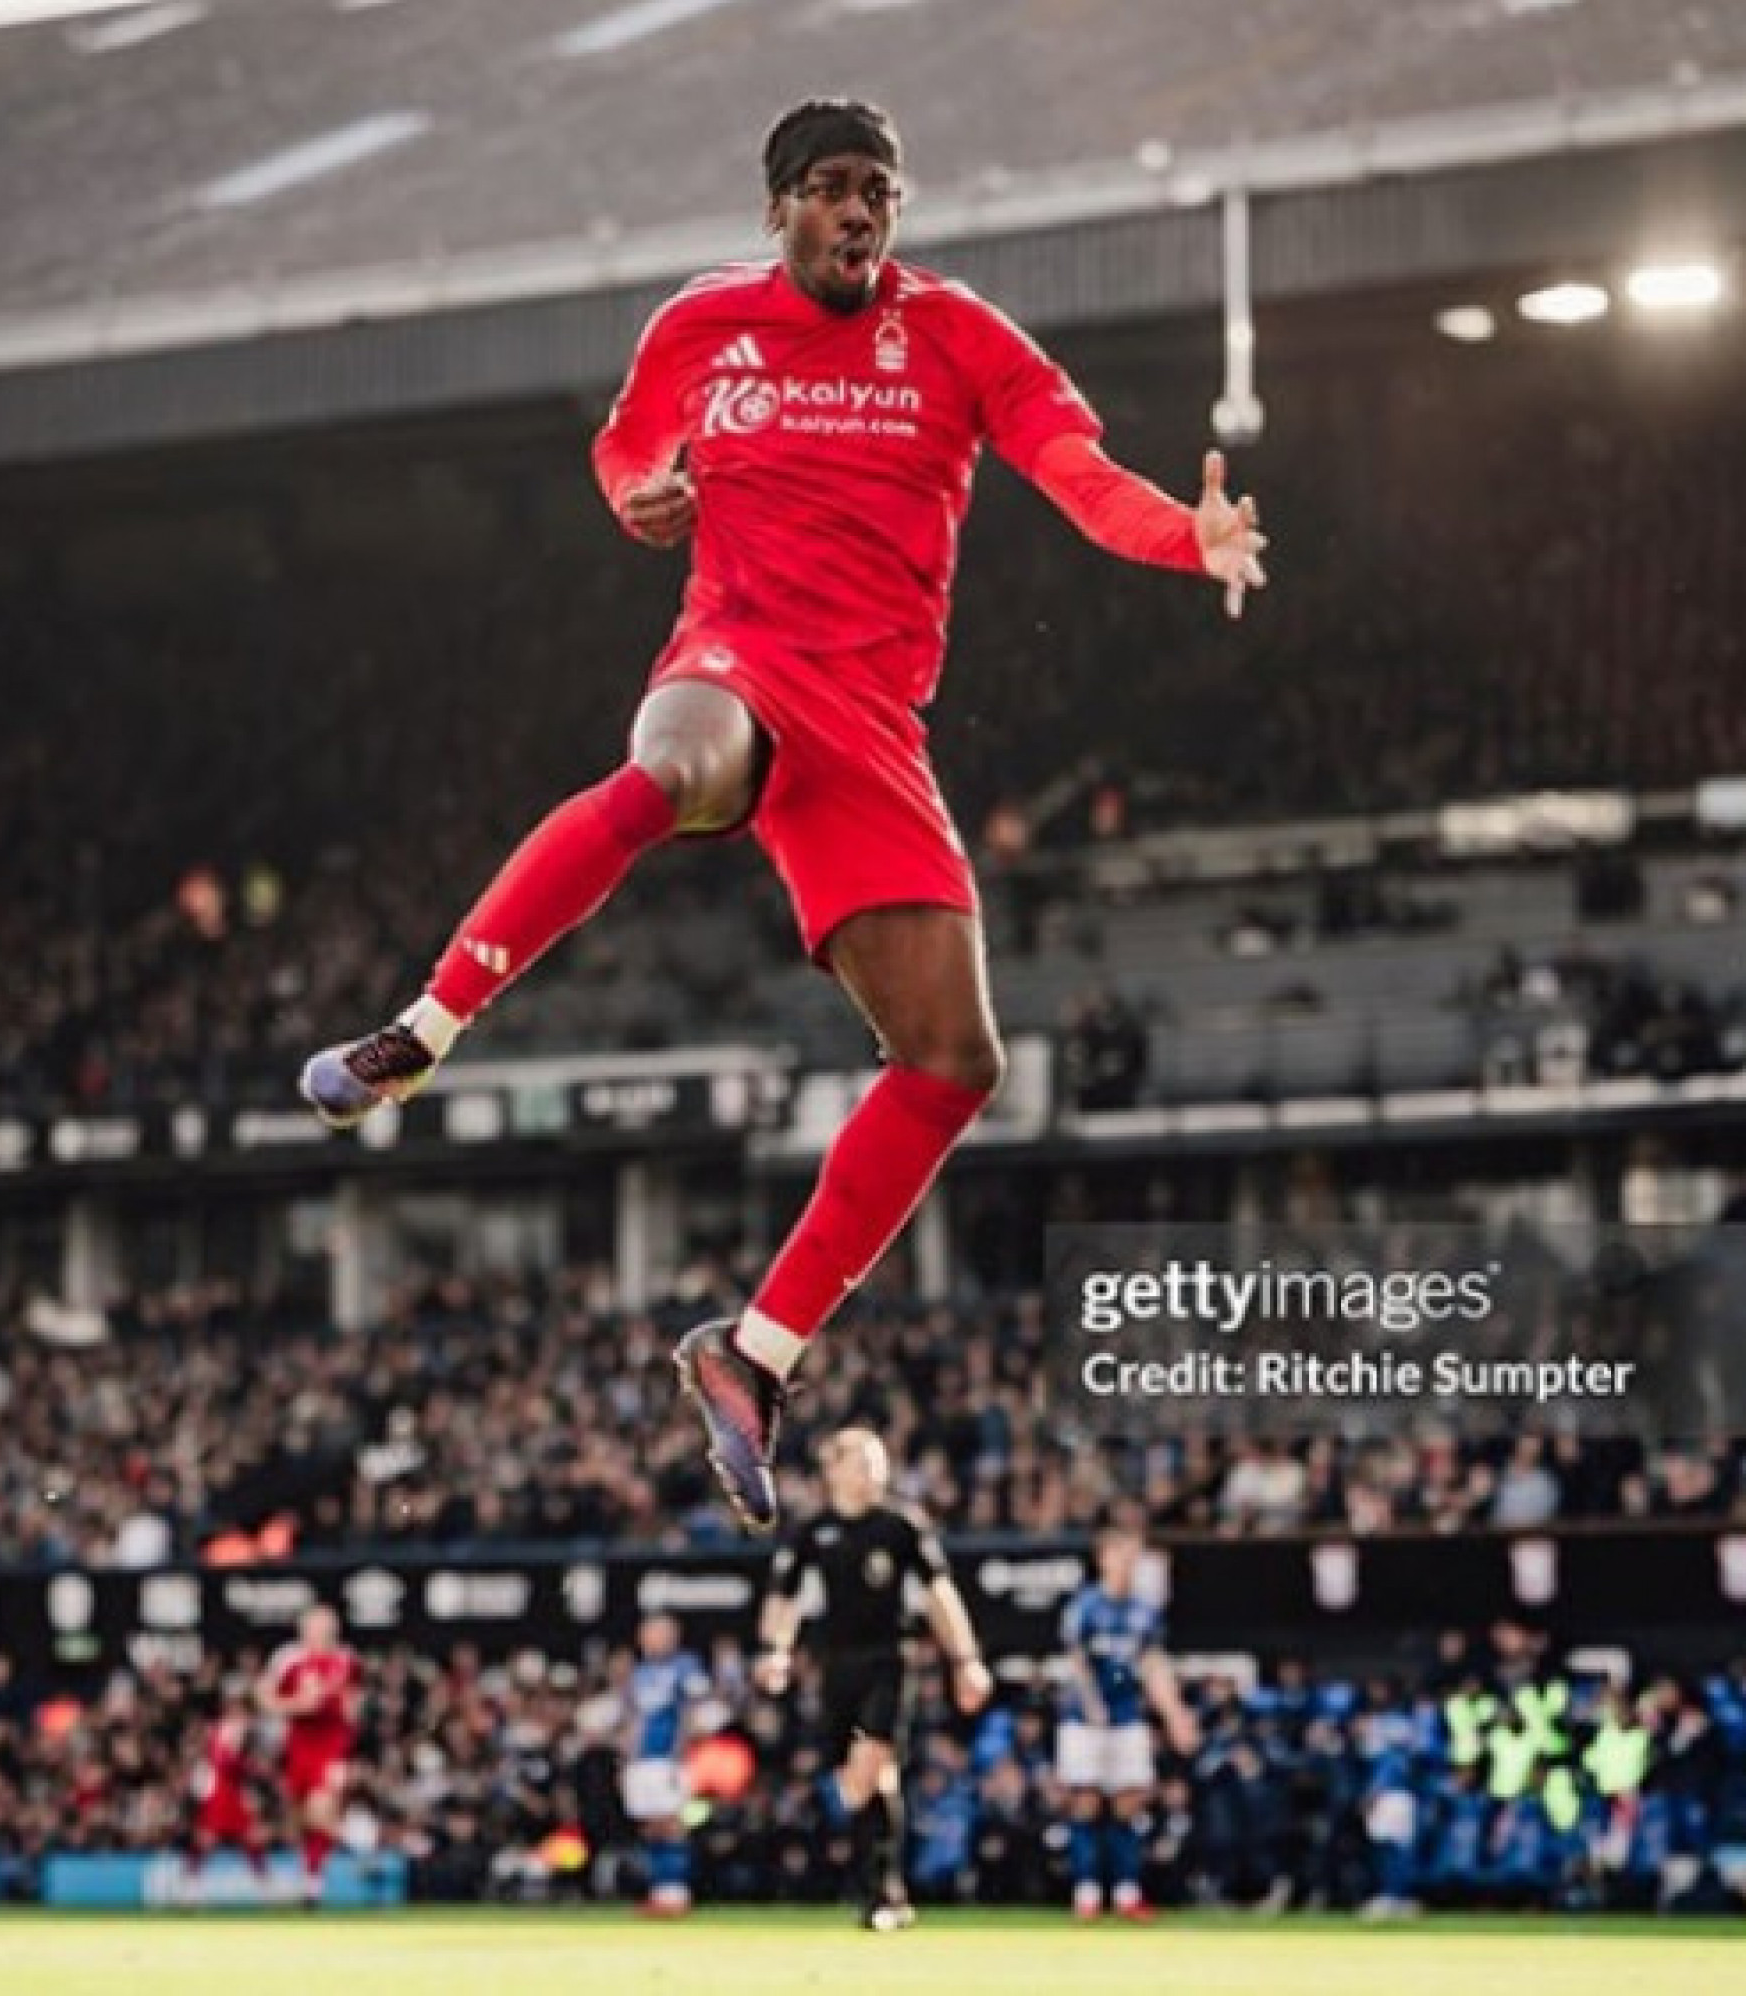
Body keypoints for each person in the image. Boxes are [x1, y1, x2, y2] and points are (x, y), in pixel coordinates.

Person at [301, 97, 1269, 1534]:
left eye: (879, 189)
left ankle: (753, 1355)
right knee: (671, 773)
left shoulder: (960, 337)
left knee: (953, 1063)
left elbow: (1073, 471)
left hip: (871, 724)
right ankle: (420, 1035)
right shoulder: (702, 326)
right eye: (830, 188)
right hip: (737, 659)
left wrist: (1181, 536)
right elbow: (626, 454)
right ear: (780, 209)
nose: (859, 211)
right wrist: (645, 498)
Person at [756, 1428, 993, 1930]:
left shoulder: (901, 1526)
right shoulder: (811, 1531)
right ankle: (883, 1890)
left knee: (871, 1764)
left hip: (888, 1660)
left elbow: (939, 1594)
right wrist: (776, 1651)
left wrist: (966, 1658)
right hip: (833, 1667)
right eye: (862, 1461)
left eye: (878, 1461)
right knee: (860, 1785)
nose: (873, 1471)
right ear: (834, 1469)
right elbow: (783, 1599)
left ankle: (880, 1893)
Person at [1058, 1517, 1198, 1920]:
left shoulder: (1144, 1612)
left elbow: (1154, 1666)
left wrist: (1175, 1716)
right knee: (1084, 1802)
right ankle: (1085, 1892)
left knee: (1129, 1803)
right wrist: (1091, 1706)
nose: (1128, 1563)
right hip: (1084, 1721)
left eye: (1133, 1557)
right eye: (1121, 1555)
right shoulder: (1084, 1606)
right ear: (1103, 1558)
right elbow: (1077, 1662)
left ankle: (1126, 1892)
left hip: (1127, 1718)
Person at [259, 1605, 359, 1906]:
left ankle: (362, 1843)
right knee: (302, 1821)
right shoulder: (288, 1657)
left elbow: (351, 1702)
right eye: (313, 1625)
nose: (318, 1631)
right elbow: (264, 1696)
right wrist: (296, 1705)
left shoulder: (345, 1659)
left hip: (331, 1747)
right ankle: (312, 1883)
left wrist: (345, 1717)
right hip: (298, 1746)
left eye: (325, 1626)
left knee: (320, 1809)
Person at [621, 1613, 710, 1916]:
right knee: (650, 1827)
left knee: (671, 1824)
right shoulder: (640, 1673)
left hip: (669, 1759)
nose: (650, 1641)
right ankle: (660, 1893)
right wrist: (629, 1758)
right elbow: (634, 1718)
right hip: (643, 1761)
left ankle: (677, 1893)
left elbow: (692, 1712)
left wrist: (682, 1752)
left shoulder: (686, 1667)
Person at [186, 1696, 270, 1890]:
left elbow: (238, 1763)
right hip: (220, 1792)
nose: (244, 1719)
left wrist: (252, 1769)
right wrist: (252, 1768)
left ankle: (266, 1887)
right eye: (239, 1713)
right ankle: (189, 1887)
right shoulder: (221, 1731)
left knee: (252, 1838)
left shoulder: (243, 1734)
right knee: (206, 1839)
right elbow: (223, 1762)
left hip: (235, 1792)